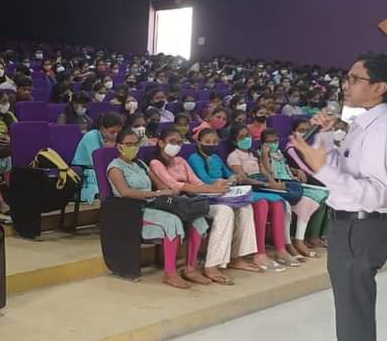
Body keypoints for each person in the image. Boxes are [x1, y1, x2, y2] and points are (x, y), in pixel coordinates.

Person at [290, 52, 387, 341]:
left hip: (362, 229)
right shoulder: (361, 124)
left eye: (356, 79)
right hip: (348, 228)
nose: (347, 84)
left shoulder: (382, 132)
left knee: (356, 325)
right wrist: (324, 138)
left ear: (379, 87)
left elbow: (373, 194)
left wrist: (321, 166)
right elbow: (339, 165)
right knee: (348, 323)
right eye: (348, 77)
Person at [148, 127, 261, 284]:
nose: (176, 145)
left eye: (179, 142)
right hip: (180, 202)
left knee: (244, 207)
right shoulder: (156, 163)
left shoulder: (181, 161)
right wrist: (210, 188)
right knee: (224, 212)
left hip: (198, 197)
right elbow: (176, 186)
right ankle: (211, 266)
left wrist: (217, 189)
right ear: (161, 143)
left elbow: (196, 181)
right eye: (171, 142)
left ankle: (236, 257)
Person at [107, 128, 200, 289]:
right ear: (119, 146)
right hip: (132, 211)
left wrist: (169, 191)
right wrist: (154, 194)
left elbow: (160, 184)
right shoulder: (115, 167)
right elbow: (125, 192)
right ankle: (170, 273)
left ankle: (190, 267)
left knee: (195, 217)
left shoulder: (141, 164)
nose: (133, 147)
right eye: (128, 144)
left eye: (135, 144)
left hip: (153, 204)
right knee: (172, 221)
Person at [226, 126, 297, 269]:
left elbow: (266, 172)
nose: (247, 139)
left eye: (248, 135)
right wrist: (265, 184)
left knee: (278, 203)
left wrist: (274, 184)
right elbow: (243, 179)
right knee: (263, 203)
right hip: (249, 187)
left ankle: (280, 250)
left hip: (262, 185)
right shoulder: (234, 155)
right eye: (242, 137)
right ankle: (260, 254)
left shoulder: (254, 154)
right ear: (235, 141)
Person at [259, 128, 328, 259]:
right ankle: (295, 242)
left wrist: (295, 170)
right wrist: (264, 154)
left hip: (290, 183)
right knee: (302, 197)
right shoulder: (262, 155)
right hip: (279, 184)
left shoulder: (280, 153)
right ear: (263, 144)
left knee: (322, 193)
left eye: (276, 141)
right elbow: (269, 173)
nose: (274, 144)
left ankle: (303, 239)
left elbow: (286, 168)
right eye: (270, 142)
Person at [73, 112, 124, 203]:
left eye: (118, 132)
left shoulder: (117, 138)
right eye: (112, 132)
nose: (116, 135)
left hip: (107, 170)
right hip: (86, 172)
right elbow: (97, 163)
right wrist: (110, 149)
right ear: (103, 129)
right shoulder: (91, 136)